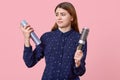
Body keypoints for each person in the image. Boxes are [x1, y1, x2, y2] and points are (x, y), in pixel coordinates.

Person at [20, 2, 87, 80]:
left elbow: (80, 72)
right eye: (57, 14)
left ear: (72, 17)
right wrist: (26, 39)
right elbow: (30, 62)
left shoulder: (79, 39)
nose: (59, 18)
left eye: (63, 14)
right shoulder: (46, 37)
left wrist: (78, 63)